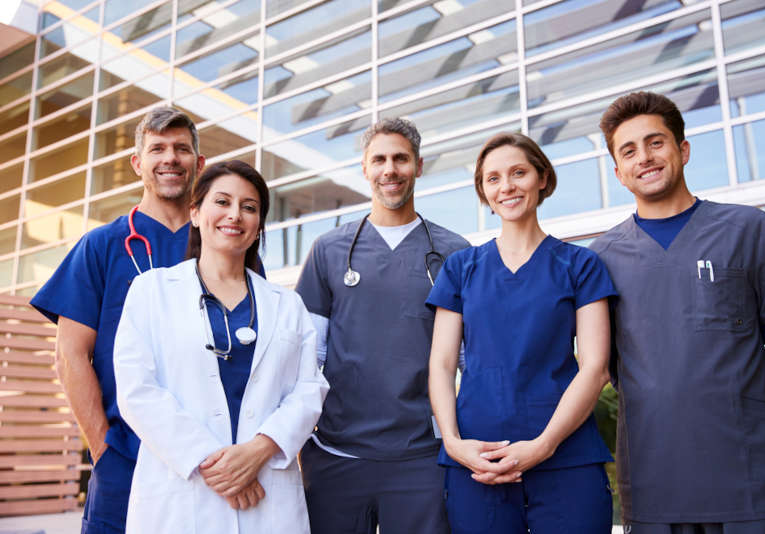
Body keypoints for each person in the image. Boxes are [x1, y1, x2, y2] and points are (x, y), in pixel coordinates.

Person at [591, 91, 765, 533]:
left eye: (656, 142)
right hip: (654, 481)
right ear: (617, 172)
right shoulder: (600, 258)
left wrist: (754, 421)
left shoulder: (751, 229)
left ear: (682, 150)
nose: (644, 158)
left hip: (753, 479)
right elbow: (604, 365)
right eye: (628, 151)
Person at [113, 160, 328, 533]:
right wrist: (218, 466)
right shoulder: (151, 291)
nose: (235, 215)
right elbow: (138, 391)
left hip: (266, 491)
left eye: (249, 207)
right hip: (182, 491)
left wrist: (259, 450)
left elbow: (310, 390)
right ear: (195, 213)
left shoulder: (287, 304)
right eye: (222, 202)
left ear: (259, 224)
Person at [426, 132, 615, 533]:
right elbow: (441, 366)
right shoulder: (460, 269)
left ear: (542, 178)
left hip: (567, 457)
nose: (506, 186)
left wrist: (544, 445)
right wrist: (454, 444)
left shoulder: (580, 265)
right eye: (493, 179)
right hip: (478, 461)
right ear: (483, 191)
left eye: (518, 173)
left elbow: (595, 367)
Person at [30, 107, 206, 533]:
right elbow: (71, 354)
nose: (170, 158)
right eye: (157, 149)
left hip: (207, 459)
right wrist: (102, 448)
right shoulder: (101, 246)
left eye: (182, 149)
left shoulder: (218, 243)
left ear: (199, 165)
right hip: (126, 456)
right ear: (137, 163)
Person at [294, 117, 469, 534]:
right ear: (365, 168)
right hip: (337, 456)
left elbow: (469, 360)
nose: (390, 169)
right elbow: (303, 359)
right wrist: (297, 441)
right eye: (380, 160)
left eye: (401, 159)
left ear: (419, 166)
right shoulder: (329, 250)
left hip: (422, 459)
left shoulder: (455, 253)